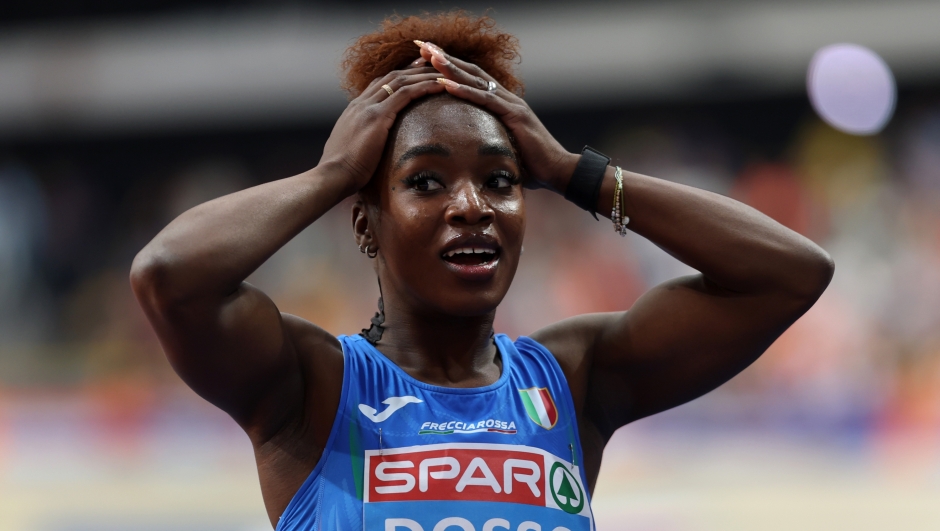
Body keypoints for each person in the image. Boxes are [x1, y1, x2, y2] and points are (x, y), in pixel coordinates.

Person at [130, 12, 833, 531]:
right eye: (426, 182)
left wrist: (569, 170)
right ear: (366, 220)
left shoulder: (574, 376)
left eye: (500, 179)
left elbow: (790, 273)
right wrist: (335, 173)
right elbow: (169, 273)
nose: (472, 205)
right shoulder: (311, 384)